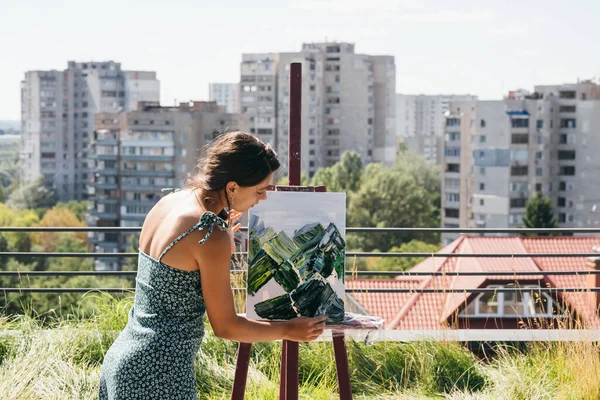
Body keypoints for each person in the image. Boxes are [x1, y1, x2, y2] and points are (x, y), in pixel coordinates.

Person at [99, 131, 326, 399]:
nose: (263, 197)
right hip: (158, 373)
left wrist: (221, 235)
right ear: (232, 188)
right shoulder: (210, 236)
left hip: (125, 360)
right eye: (260, 190)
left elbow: (181, 262)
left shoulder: (172, 202)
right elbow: (226, 327)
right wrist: (289, 329)